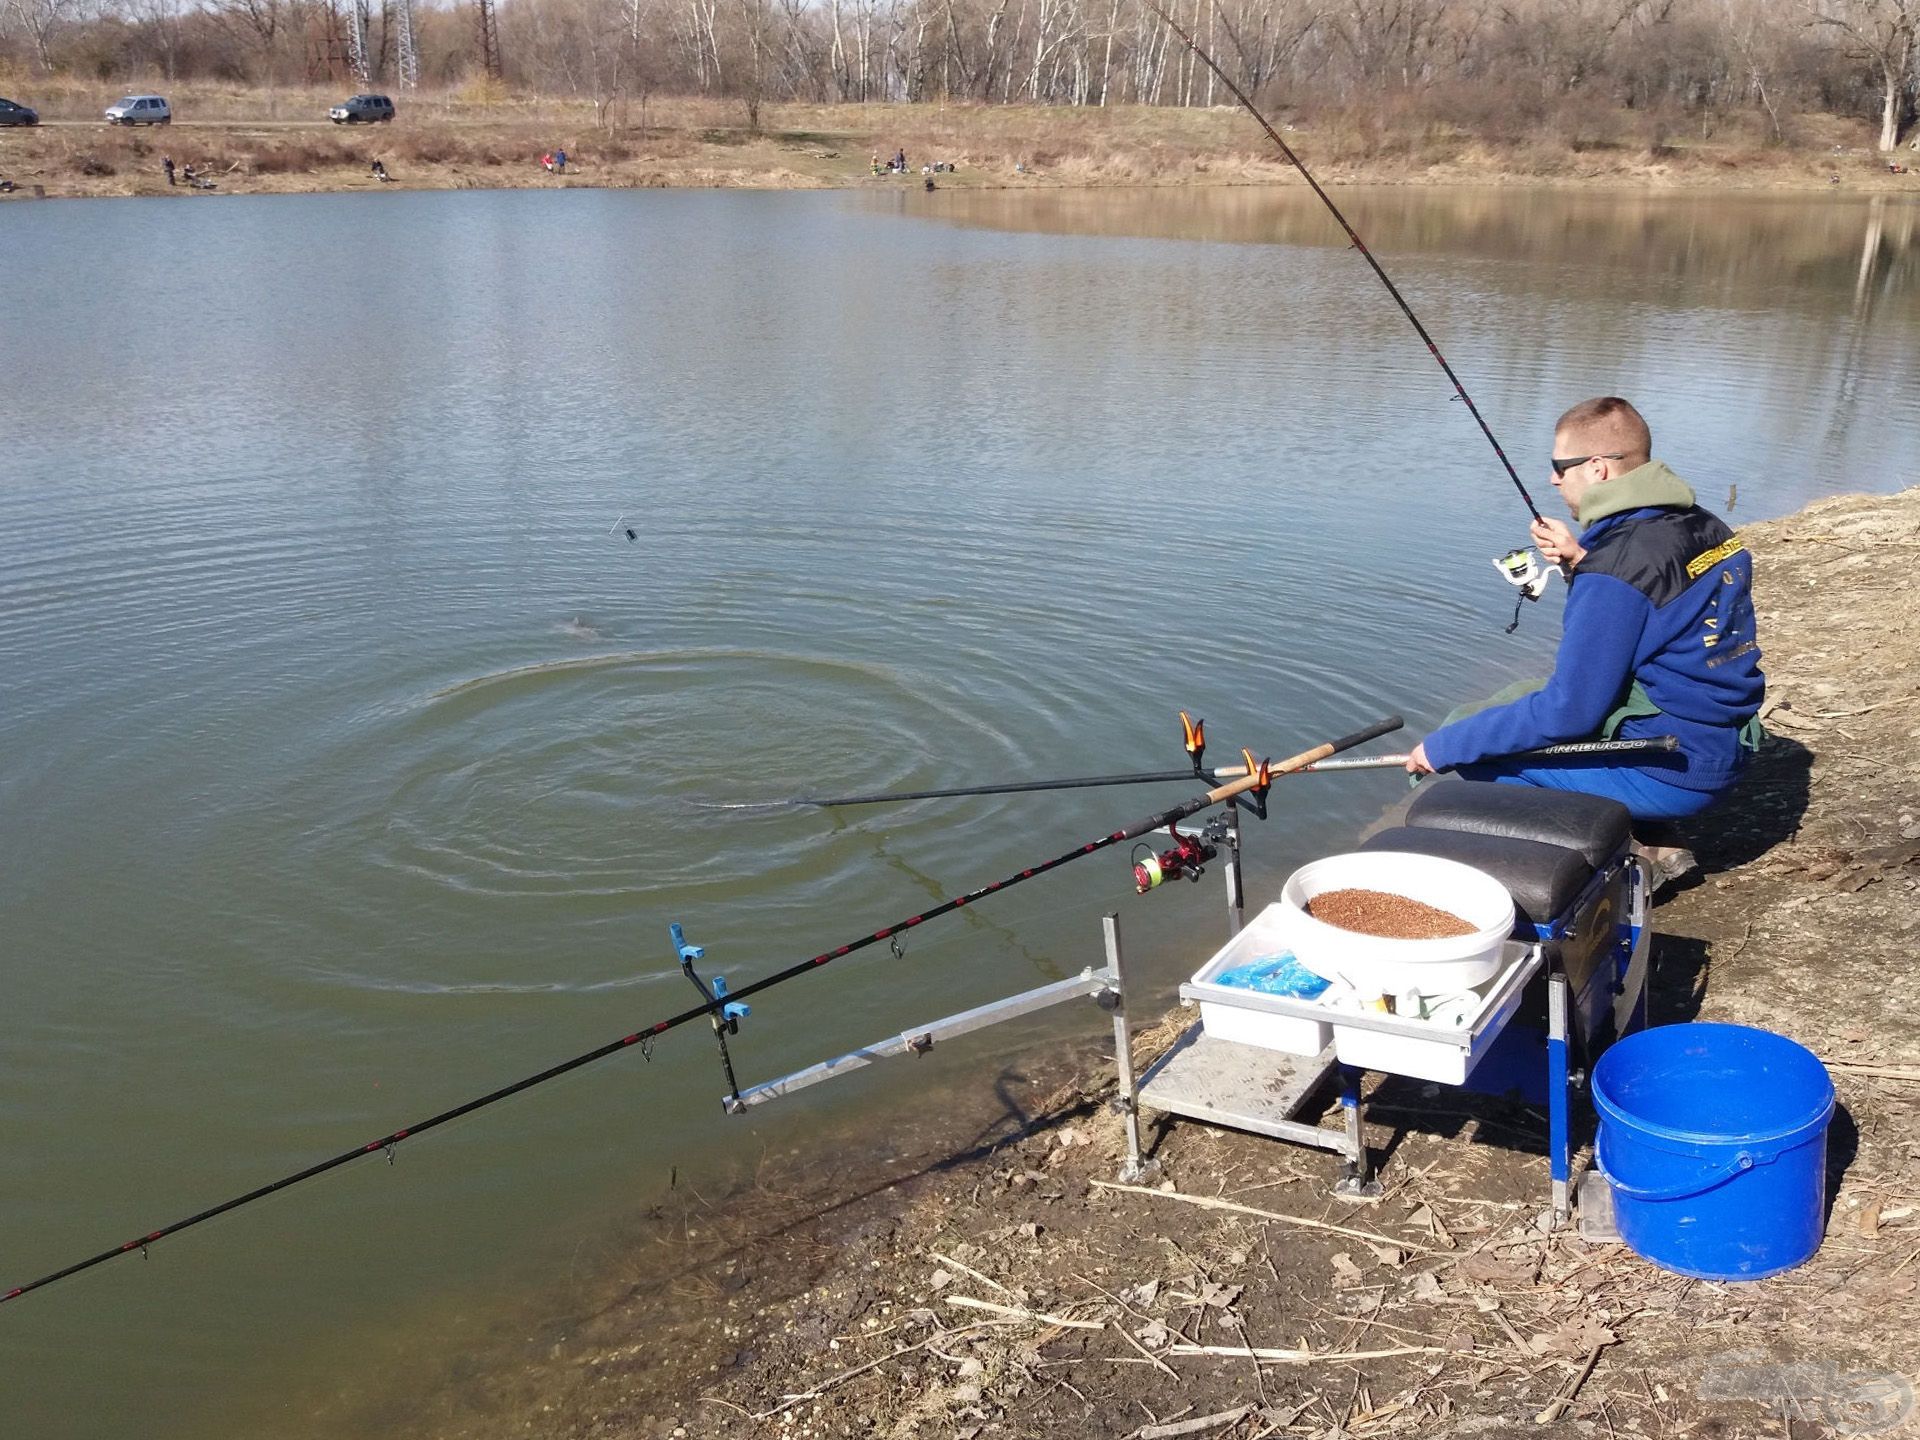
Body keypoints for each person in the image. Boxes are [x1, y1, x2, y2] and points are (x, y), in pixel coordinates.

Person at [1406, 396, 1764, 824]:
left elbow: (1569, 712)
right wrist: (1580, 561)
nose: (1552, 480)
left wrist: (1443, 747)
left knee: (1475, 746)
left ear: (1597, 468)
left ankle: (1620, 843)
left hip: (1674, 768)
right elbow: (1659, 610)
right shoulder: (1704, 524)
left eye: (1560, 467)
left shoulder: (1615, 569)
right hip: (1729, 738)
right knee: (1501, 715)